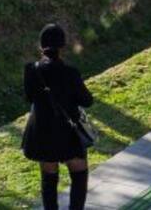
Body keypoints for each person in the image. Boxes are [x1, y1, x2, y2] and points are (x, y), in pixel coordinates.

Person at [22, 24, 94, 210]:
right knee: (79, 174)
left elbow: (29, 97)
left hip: (42, 132)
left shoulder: (31, 70)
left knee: (49, 178)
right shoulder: (70, 72)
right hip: (69, 134)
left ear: (41, 46)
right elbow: (87, 101)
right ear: (62, 46)